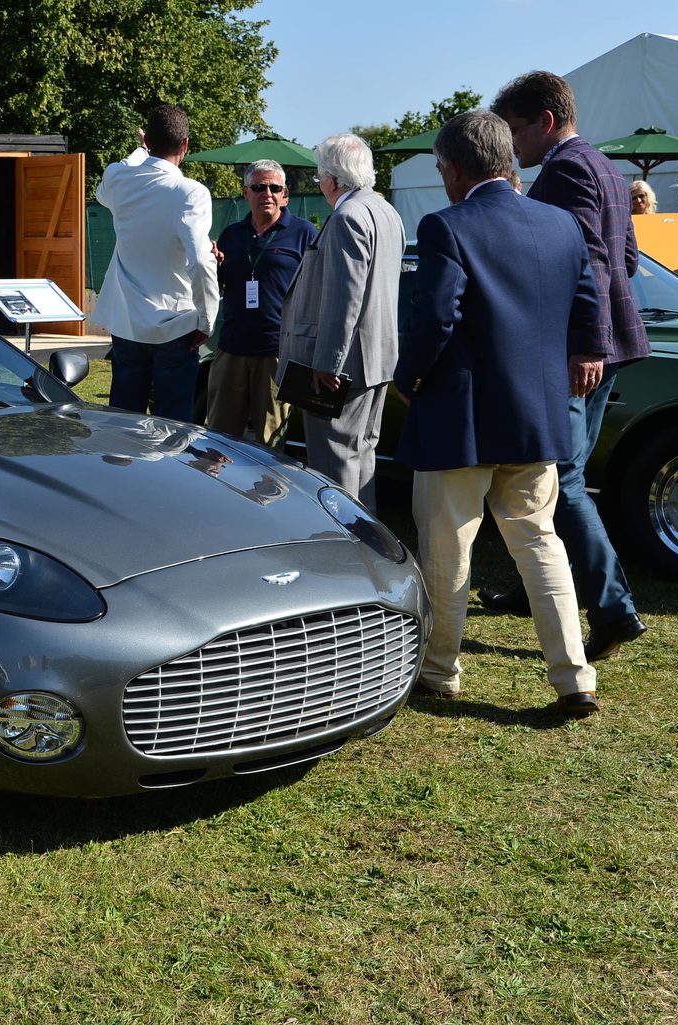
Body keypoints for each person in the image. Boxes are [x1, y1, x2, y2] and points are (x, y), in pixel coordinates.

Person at [395, 110, 601, 717]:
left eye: (440, 169)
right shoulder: (562, 225)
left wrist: (408, 379)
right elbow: (587, 309)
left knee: (446, 546)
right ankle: (574, 676)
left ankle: (438, 671)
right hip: (536, 416)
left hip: (460, 417)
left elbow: (435, 317)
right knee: (540, 542)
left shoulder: (446, 226)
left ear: (455, 168)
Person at [488, 71, 650, 661]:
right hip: (605, 346)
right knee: (556, 476)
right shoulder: (605, 166)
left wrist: (585, 343)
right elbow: (626, 261)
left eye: (513, 132)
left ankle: (613, 609)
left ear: (545, 123)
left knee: (565, 479)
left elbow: (585, 264)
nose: (510, 148)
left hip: (582, 352)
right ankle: (541, 587)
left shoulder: (565, 170)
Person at [276, 133, 403, 508]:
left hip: (342, 366)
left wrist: (326, 362)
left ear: (332, 180)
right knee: (362, 455)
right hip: (375, 360)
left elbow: (343, 297)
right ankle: (366, 541)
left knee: (335, 461)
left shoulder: (348, 216)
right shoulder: (385, 211)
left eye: (318, 179)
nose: (320, 186)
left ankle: (346, 550)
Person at [92, 105, 220, 422]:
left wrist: (140, 150)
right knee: (173, 428)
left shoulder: (118, 178)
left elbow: (105, 186)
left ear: (148, 140)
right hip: (175, 325)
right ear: (185, 145)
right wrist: (207, 320)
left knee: (123, 425)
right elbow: (200, 263)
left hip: (126, 324)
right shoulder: (191, 192)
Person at [205, 159, 318, 448]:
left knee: (270, 445)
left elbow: (318, 290)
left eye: (274, 187)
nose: (266, 193)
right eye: (258, 187)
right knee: (218, 440)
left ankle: (268, 495)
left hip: (277, 353)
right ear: (246, 193)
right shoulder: (231, 234)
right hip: (232, 348)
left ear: (285, 196)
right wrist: (213, 264)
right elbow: (218, 286)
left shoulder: (304, 233)